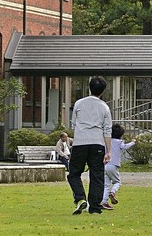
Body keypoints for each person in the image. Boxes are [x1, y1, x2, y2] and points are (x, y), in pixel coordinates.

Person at [66, 75, 113, 215]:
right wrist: (108, 151)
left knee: (74, 173)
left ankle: (80, 198)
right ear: (103, 91)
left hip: (80, 142)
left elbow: (73, 123)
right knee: (97, 175)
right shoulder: (104, 107)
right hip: (97, 143)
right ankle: (95, 207)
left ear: (89, 88)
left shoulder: (79, 103)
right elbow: (107, 130)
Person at [99, 124, 135, 210]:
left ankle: (104, 202)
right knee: (117, 182)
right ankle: (113, 192)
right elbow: (125, 147)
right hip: (114, 165)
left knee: (106, 185)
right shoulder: (119, 142)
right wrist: (133, 142)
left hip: (105, 164)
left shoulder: (106, 141)